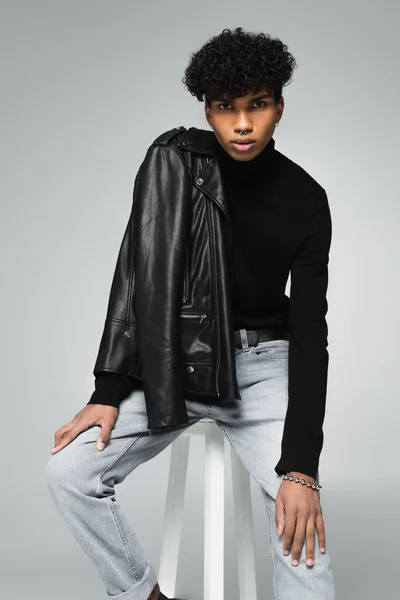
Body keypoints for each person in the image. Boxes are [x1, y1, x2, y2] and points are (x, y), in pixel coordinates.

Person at [46, 26, 336, 600]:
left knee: (299, 523)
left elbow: (309, 332)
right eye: (226, 109)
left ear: (280, 104)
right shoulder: (174, 163)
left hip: (262, 367)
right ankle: (144, 596)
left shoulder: (306, 199)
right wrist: (108, 388)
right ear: (207, 110)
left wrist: (301, 467)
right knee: (68, 473)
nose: (243, 124)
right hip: (173, 360)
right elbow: (137, 273)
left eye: (257, 105)